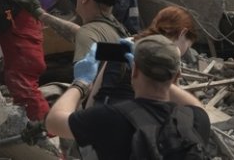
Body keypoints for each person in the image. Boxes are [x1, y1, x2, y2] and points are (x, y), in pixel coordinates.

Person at [46, 34, 211, 160]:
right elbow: (196, 105)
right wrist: (167, 79)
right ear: (177, 76)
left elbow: (53, 122)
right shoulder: (194, 120)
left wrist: (81, 83)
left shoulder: (109, 117)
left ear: (134, 71)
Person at [14, 0, 130, 62]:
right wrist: (40, 13)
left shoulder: (88, 35)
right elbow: (77, 32)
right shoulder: (115, 28)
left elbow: (84, 81)